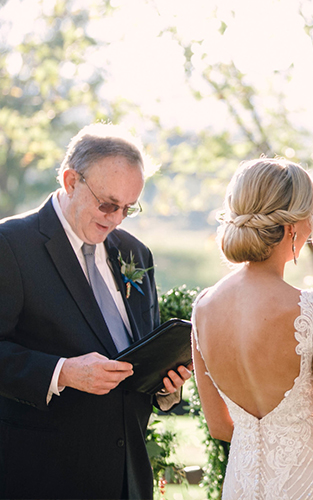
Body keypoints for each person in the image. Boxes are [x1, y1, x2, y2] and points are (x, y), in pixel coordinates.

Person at [0, 124, 192, 500]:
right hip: (41, 476)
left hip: (127, 479)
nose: (116, 218)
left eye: (128, 208)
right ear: (71, 180)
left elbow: (139, 352)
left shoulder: (136, 254)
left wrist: (165, 387)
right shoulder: (10, 246)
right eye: (107, 204)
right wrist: (63, 373)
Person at [191, 158, 313, 500]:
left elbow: (219, 426)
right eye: (312, 212)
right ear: (294, 226)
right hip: (311, 483)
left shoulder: (203, 306)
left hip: (242, 485)